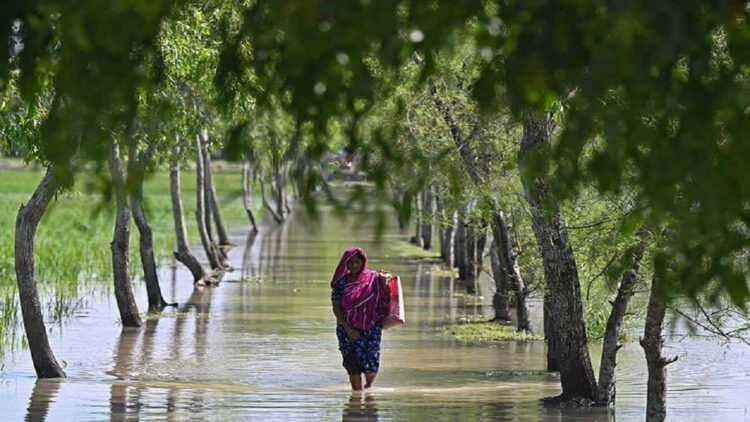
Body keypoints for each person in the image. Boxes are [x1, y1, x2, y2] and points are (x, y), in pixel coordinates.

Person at [330, 247, 391, 391]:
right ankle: (355, 400)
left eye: (357, 262)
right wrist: (349, 329)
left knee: (371, 365)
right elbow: (336, 308)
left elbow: (386, 300)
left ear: (363, 262)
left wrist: (384, 283)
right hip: (346, 329)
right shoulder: (341, 283)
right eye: (350, 263)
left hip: (371, 328)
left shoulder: (374, 279)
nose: (353, 266)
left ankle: (369, 387)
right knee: (353, 365)